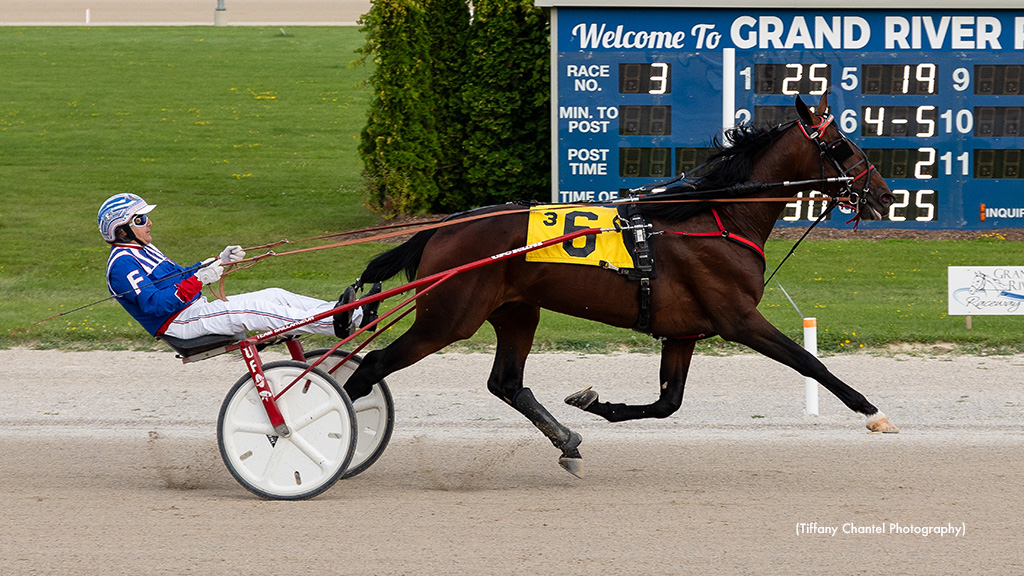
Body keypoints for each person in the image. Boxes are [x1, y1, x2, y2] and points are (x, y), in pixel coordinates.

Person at [99, 193, 377, 341]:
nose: (149, 223)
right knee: (253, 312)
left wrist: (218, 261)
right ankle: (336, 323)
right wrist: (199, 278)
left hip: (193, 309)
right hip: (177, 324)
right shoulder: (122, 265)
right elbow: (155, 306)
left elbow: (179, 277)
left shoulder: (142, 248)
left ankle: (344, 312)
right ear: (122, 230)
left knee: (275, 294)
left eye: (146, 217)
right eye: (140, 220)